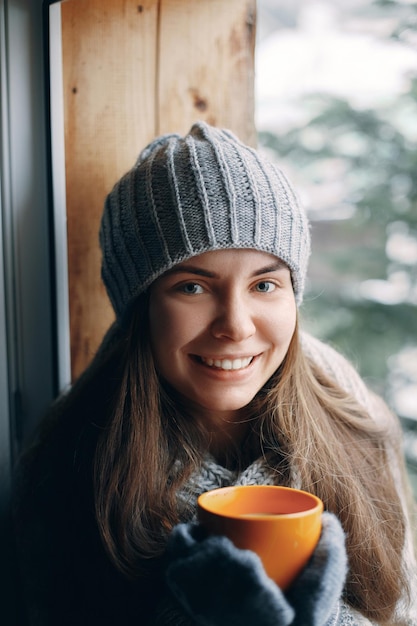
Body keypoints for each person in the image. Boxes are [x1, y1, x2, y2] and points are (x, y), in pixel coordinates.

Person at [13, 121, 417, 625]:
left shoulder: (354, 421)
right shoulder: (72, 461)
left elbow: (399, 609)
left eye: (265, 285)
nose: (236, 325)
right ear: (140, 308)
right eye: (192, 287)